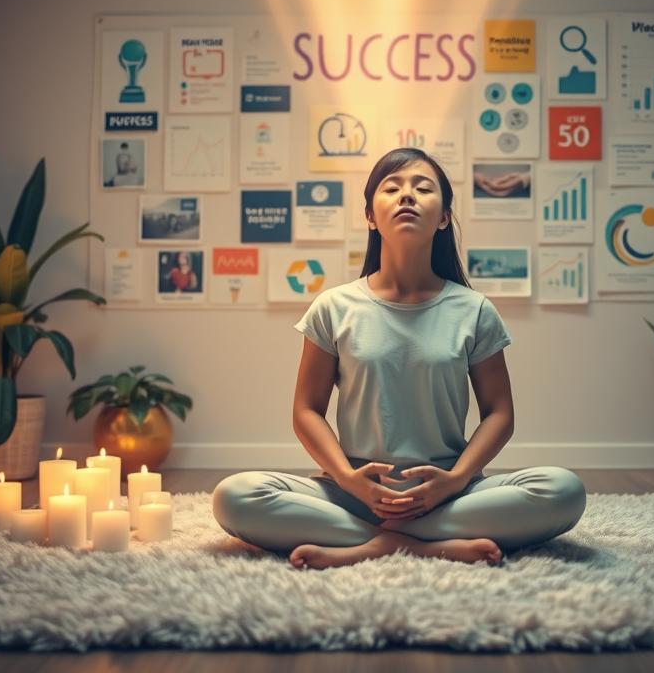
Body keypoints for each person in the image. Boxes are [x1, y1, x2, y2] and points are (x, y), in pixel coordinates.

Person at [213, 147, 587, 570]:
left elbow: (499, 413)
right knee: (235, 495)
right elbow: (306, 411)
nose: (407, 195)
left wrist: (456, 480)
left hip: (449, 492)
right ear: (370, 215)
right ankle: (424, 544)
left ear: (444, 216)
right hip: (352, 493)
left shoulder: (474, 309)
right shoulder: (334, 306)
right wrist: (349, 479)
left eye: (422, 188)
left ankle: (376, 543)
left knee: (564, 489)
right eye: (392, 187)